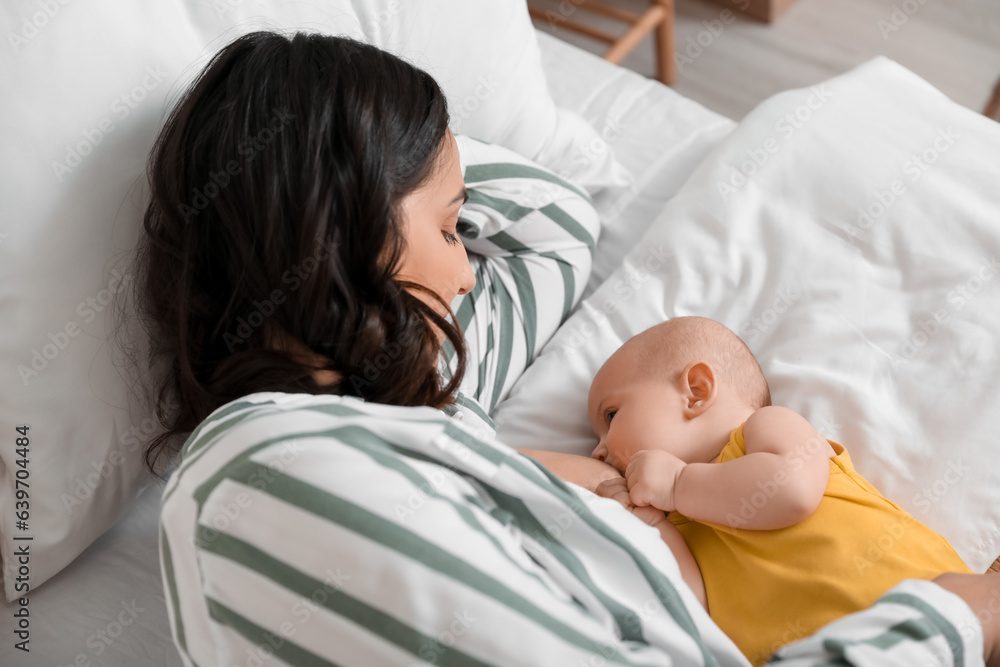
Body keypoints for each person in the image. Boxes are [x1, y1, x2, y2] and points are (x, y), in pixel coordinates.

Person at [133, 30, 997, 667]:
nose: (469, 273)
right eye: (449, 227)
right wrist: (955, 619)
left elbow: (555, 228)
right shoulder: (260, 474)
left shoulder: (424, 402)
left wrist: (397, 169)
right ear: (350, 237)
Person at [583, 316, 987, 665]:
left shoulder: (761, 431)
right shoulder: (681, 521)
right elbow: (697, 617)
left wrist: (677, 484)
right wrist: (654, 527)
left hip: (936, 622)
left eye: (611, 415)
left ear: (697, 391)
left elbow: (791, 491)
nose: (597, 450)